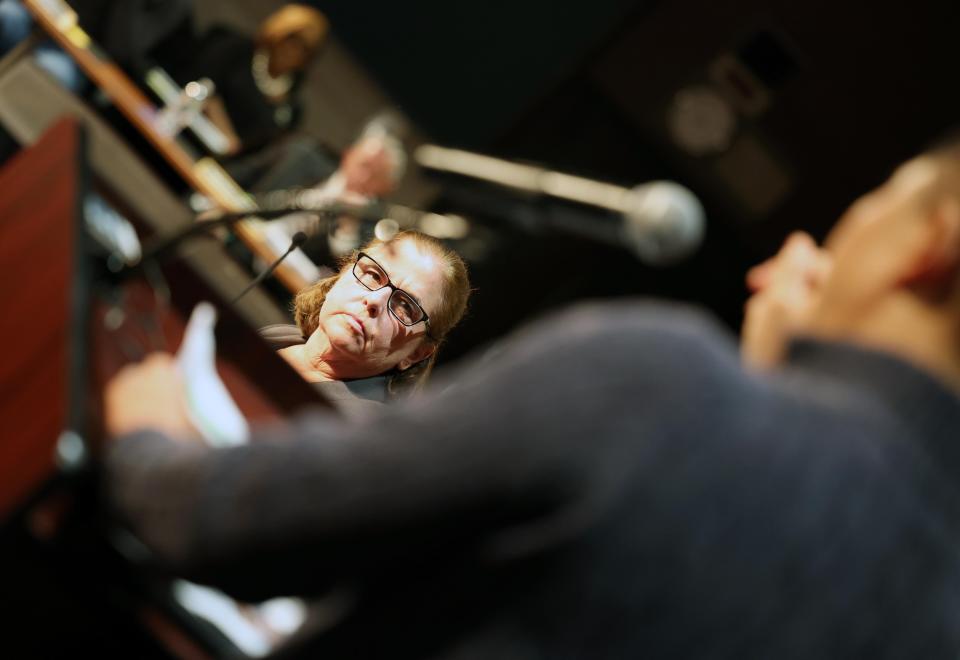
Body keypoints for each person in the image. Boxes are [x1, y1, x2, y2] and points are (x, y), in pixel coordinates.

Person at [103, 139, 960, 658]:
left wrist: (146, 424)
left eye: (869, 202)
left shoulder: (661, 383)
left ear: (936, 240)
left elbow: (234, 529)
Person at [259, 229, 471, 415]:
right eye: (373, 275)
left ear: (415, 353)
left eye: (406, 306)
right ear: (342, 273)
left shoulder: (353, 425)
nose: (375, 300)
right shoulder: (278, 336)